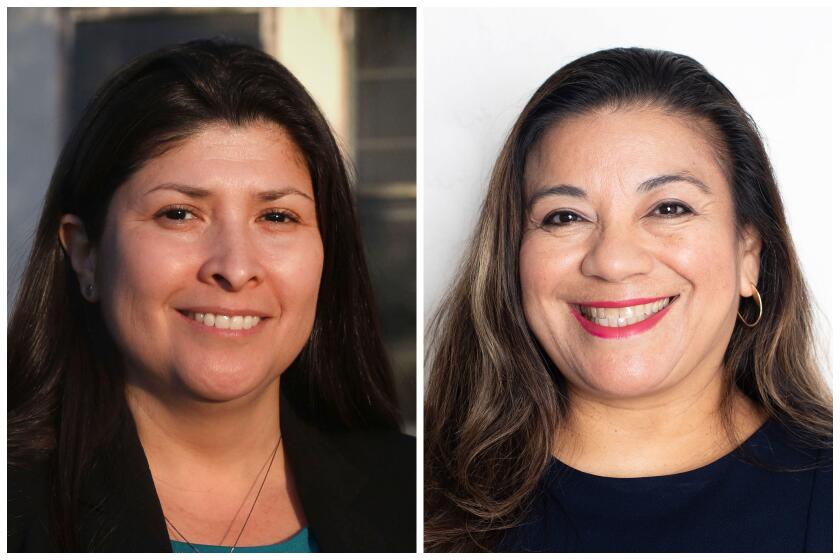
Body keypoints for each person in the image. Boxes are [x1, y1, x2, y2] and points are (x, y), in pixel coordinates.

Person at [8, 39, 415, 553]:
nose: (235, 267)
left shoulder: (414, 495)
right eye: (178, 214)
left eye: (276, 216)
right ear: (86, 254)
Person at [424, 47, 831, 552]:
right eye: (565, 216)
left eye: (668, 207)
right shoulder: (418, 498)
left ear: (748, 252)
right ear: (511, 257)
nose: (613, 261)